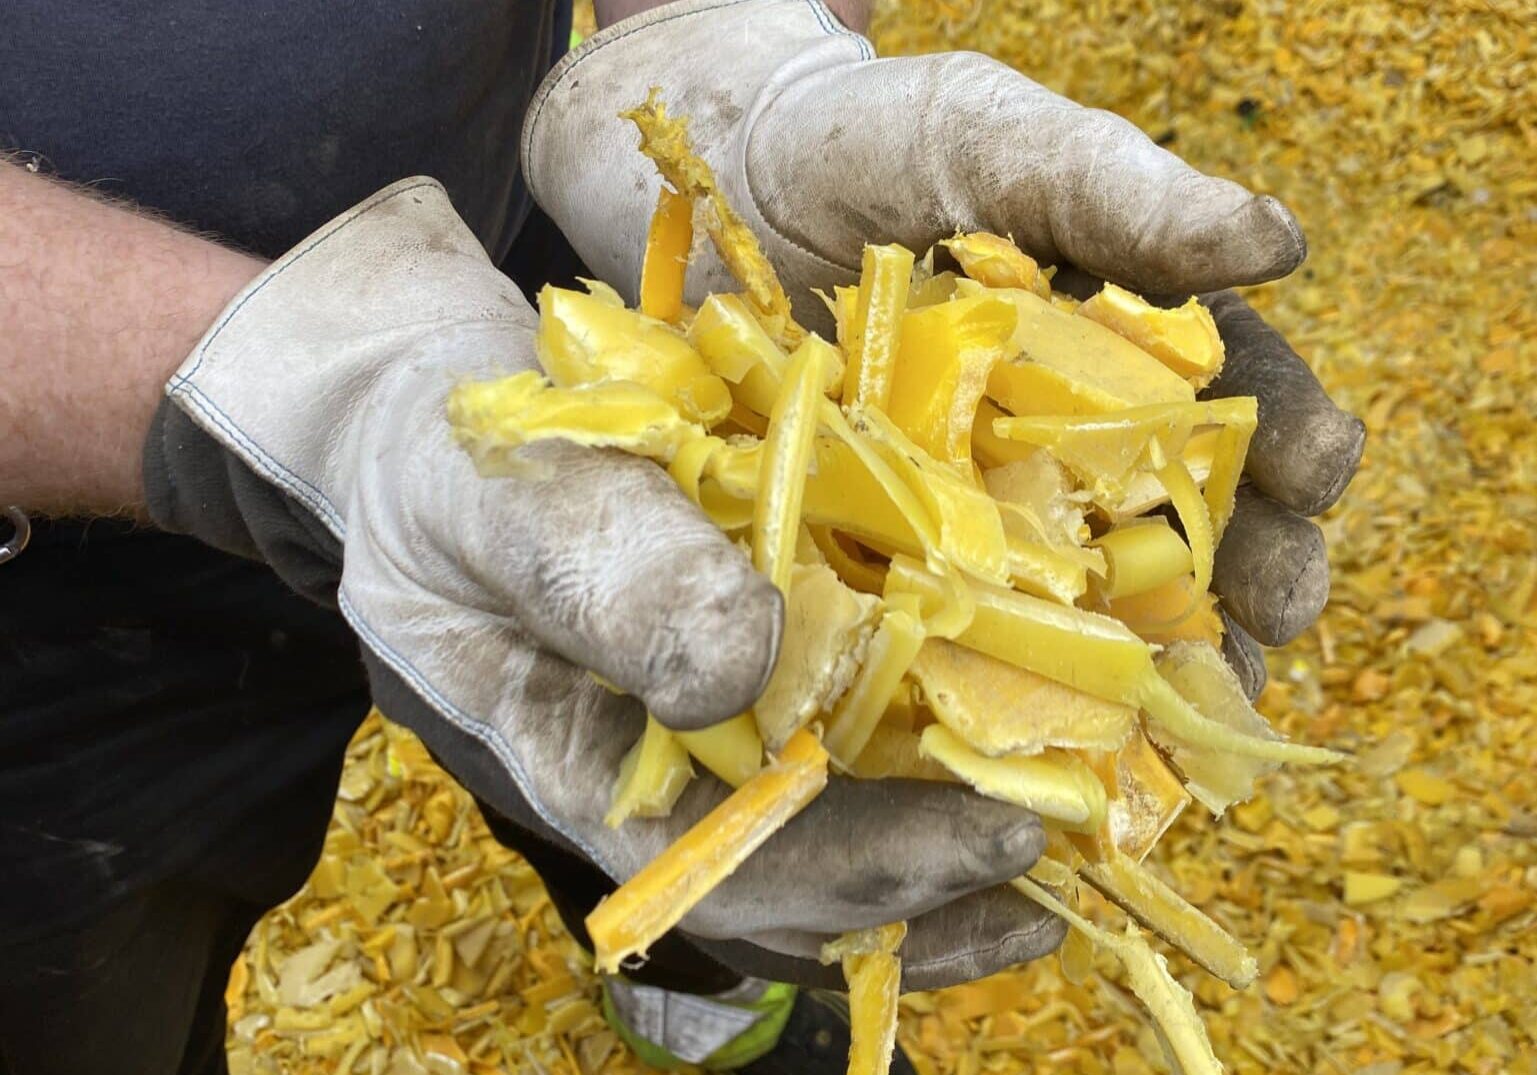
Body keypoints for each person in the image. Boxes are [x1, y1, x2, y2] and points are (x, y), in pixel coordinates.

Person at [0, 1, 1365, 1071]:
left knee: (646, 698)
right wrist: (315, 393)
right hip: (49, 562)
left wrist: (743, 53)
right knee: (84, 989)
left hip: (521, 290)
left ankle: (696, 989)